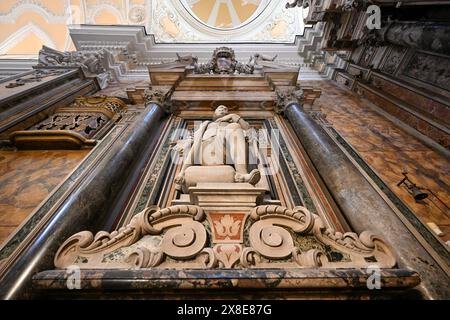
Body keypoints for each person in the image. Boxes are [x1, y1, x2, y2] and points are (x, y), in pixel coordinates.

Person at [175, 105, 261, 190]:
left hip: (228, 151)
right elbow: (192, 141)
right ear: (214, 113)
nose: (223, 109)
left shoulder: (232, 124)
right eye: (220, 108)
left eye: (225, 109)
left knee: (235, 127)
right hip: (207, 151)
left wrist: (234, 116)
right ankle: (182, 173)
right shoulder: (206, 125)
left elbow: (249, 131)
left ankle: (242, 174)